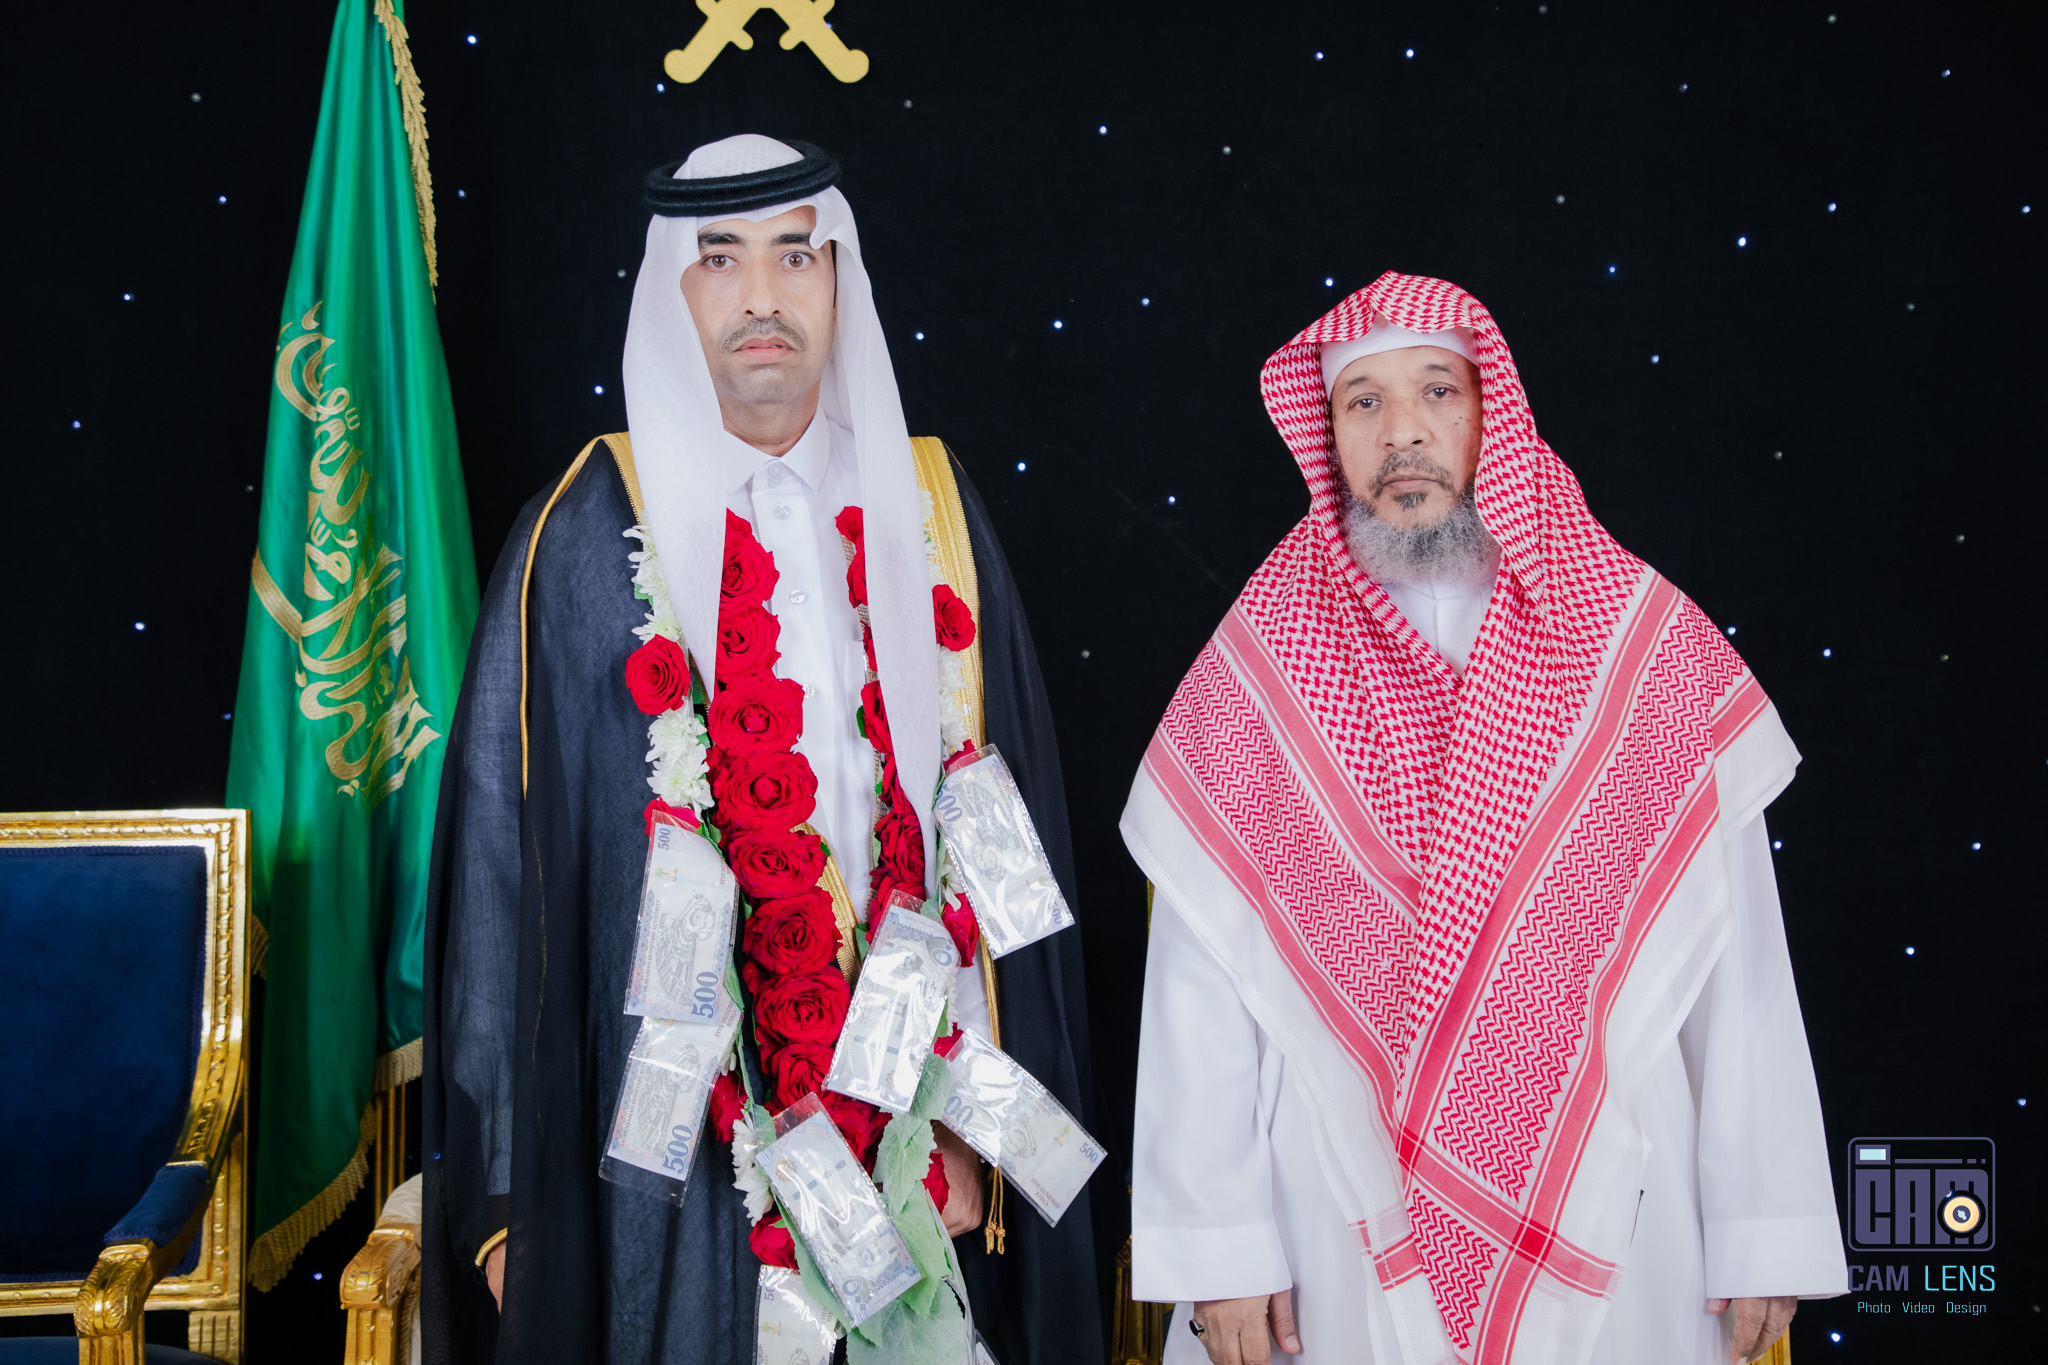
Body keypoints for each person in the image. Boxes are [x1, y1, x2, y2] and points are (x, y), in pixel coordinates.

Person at [421, 135, 1099, 1365]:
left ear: (838, 282)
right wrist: (515, 1196)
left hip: (916, 1116)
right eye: (720, 259)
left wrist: (973, 1132)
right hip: (672, 1155)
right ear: (671, 292)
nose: (760, 297)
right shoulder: (582, 531)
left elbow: (999, 852)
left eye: (795, 256)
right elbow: (501, 879)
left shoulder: (932, 506)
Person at [1122, 272, 1845, 1365]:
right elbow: (1198, 978)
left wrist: (1760, 1228)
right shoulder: (1261, 658)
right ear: (1328, 435)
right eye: (1363, 401)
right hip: (1336, 1198)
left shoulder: (1637, 642)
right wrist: (1220, 1251)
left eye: (1436, 391)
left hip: (1614, 1181)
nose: (1401, 433)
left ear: (1488, 411)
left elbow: (1734, 955)